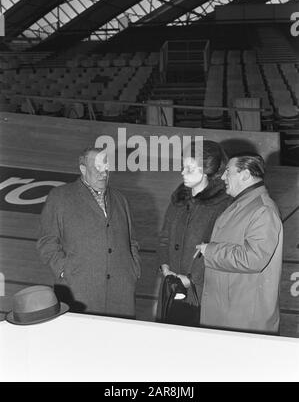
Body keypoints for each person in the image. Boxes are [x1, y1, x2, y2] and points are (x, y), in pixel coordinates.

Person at [36, 147, 141, 318]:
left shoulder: (120, 199)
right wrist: (64, 270)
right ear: (83, 169)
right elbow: (46, 242)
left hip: (121, 293)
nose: (103, 173)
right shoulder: (60, 196)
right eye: (97, 168)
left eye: (106, 168)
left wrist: (133, 268)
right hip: (78, 290)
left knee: (118, 343)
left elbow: (132, 241)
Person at [196, 153, 283, 334]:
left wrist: (210, 251)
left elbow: (253, 259)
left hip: (243, 319)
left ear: (245, 175)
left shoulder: (263, 209)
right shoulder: (245, 204)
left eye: (228, 172)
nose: (222, 177)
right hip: (230, 313)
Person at [157, 140, 232, 326]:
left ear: (207, 170)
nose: (183, 172)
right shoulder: (179, 199)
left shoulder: (224, 205)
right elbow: (164, 238)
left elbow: (220, 249)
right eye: (183, 167)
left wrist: (192, 279)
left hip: (201, 292)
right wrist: (164, 266)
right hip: (171, 285)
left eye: (189, 168)